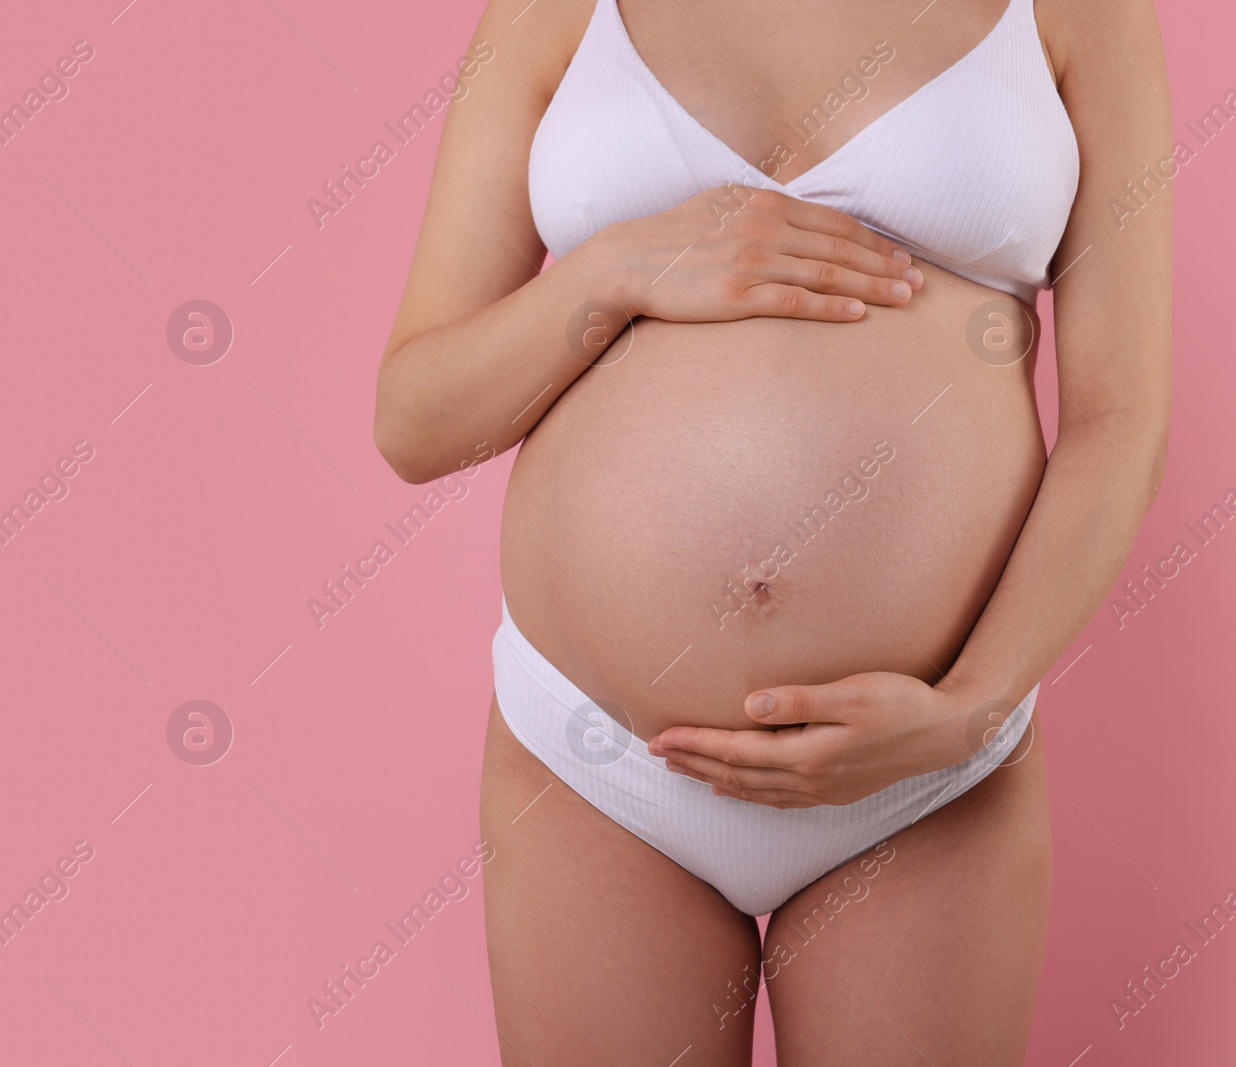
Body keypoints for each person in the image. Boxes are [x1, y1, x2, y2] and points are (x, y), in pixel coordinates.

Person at [375, 0, 1171, 1061]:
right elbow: (417, 416)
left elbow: (1122, 418)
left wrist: (972, 707)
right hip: (598, 759)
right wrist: (614, 271)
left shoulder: (1084, 14)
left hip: (922, 775)